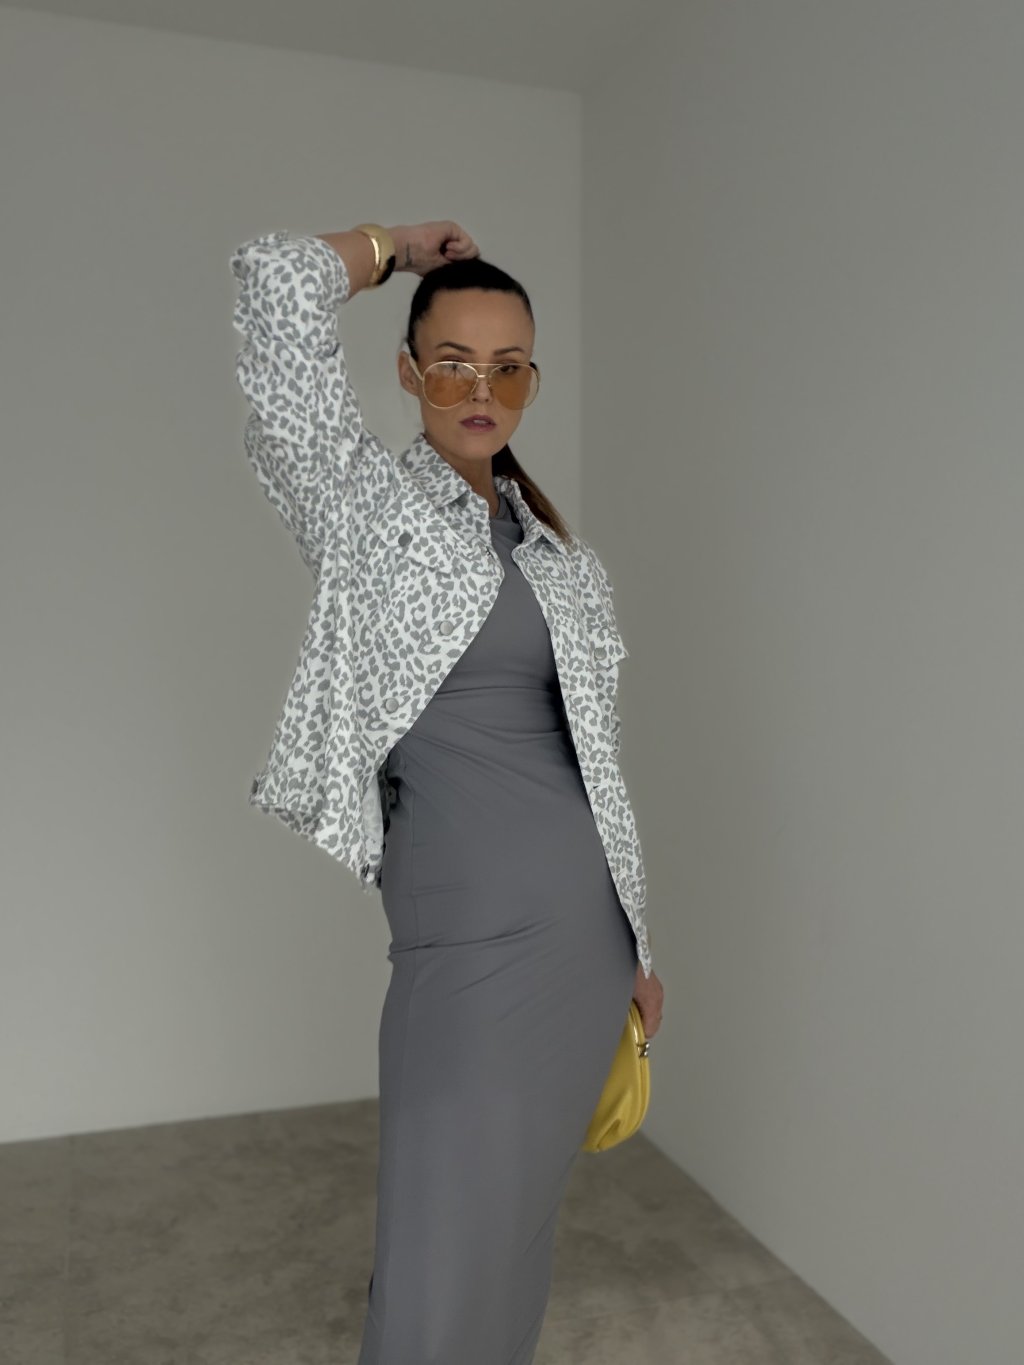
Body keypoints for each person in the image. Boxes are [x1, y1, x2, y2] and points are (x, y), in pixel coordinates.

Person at [231, 218, 664, 1364]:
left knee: (510, 1249)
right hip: (464, 943)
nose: (481, 390)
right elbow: (274, 286)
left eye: (507, 367)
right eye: (454, 363)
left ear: (531, 383)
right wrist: (396, 249)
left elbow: (598, 765)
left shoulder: (564, 563)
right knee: (434, 1270)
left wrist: (637, 946)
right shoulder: (364, 507)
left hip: (582, 946)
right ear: (408, 370)